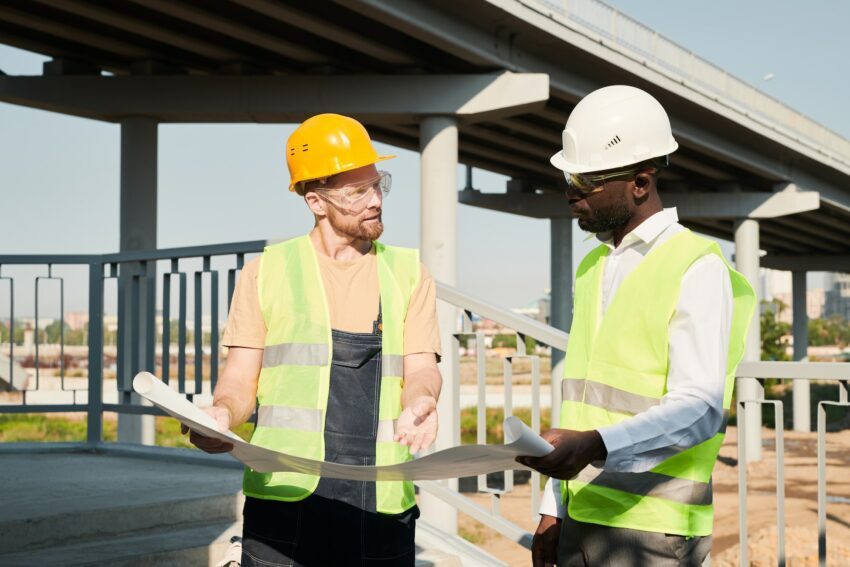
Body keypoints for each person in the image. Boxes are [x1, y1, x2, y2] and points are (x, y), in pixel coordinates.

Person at [185, 113, 443, 566]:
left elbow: (422, 369)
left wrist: (422, 401)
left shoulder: (409, 272)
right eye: (356, 191)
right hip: (285, 499)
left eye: (378, 183)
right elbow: (241, 379)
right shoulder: (266, 272)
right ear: (316, 202)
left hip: (381, 501)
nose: (375, 200)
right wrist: (222, 413)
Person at [517, 85, 756, 566]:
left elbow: (701, 407)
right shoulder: (593, 269)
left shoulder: (696, 265)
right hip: (582, 515)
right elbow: (581, 404)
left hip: (651, 531)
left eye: (585, 183)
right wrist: (552, 506)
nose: (571, 194)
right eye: (568, 178)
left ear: (640, 183)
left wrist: (597, 446)